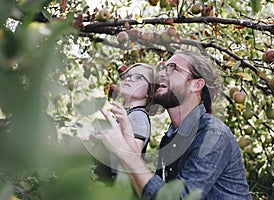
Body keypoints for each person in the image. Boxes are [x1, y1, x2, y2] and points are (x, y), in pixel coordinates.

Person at [94, 50, 252, 199]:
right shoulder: (170, 139)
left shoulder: (212, 134)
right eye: (162, 68)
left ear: (196, 85)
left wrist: (124, 151)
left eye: (172, 68)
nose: (161, 74)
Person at [93, 63, 156, 181]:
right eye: (126, 76)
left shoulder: (138, 116)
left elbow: (135, 157)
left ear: (149, 91)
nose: (128, 79)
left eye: (138, 77)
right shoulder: (129, 115)